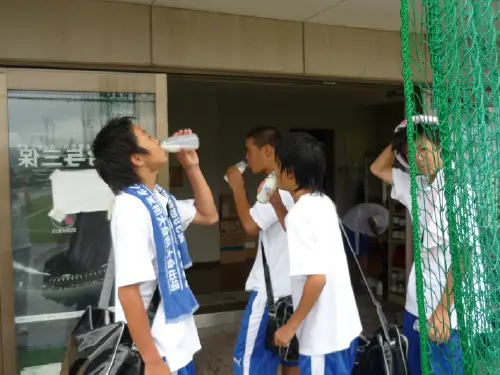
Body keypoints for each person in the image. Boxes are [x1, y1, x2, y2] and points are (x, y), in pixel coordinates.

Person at [92, 117, 218, 375]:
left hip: (174, 344)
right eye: (146, 135)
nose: (156, 139)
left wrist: (192, 167)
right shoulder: (131, 208)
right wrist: (151, 359)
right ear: (136, 158)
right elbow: (129, 293)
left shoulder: (160, 201)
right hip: (155, 350)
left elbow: (209, 215)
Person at [370, 116, 475, 375]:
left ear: (440, 147)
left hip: (448, 311)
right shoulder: (416, 185)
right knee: (413, 369)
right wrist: (400, 136)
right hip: (415, 304)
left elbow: (464, 254)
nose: (418, 158)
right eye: (411, 154)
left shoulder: (458, 190)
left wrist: (442, 311)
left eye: (424, 150)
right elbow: (377, 168)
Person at [271, 132, 362, 375]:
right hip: (344, 327)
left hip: (323, 337)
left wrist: (290, 326)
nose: (275, 172)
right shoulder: (323, 203)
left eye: (277, 166)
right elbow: (293, 226)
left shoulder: (302, 214)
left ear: (290, 173)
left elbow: (317, 279)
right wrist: (277, 204)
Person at [226, 126, 298, 375]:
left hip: (271, 295)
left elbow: (250, 225)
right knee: (291, 359)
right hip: (292, 292)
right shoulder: (294, 180)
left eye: (249, 150)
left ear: (267, 149)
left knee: (249, 363)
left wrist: (236, 186)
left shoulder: (274, 184)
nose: (246, 157)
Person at [342, 202, 388, 286]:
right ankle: (363, 279)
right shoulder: (386, 218)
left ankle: (361, 278)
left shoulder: (386, 216)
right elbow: (371, 220)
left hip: (355, 223)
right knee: (360, 253)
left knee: (361, 252)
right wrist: (378, 236)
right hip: (353, 224)